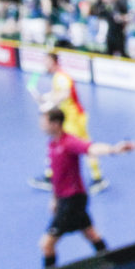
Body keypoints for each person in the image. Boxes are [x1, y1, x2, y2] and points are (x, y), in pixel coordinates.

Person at [38, 108, 135, 268]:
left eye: (44, 122)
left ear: (55, 124)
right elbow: (57, 175)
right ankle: (111, 265)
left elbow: (91, 148)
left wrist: (114, 149)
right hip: (65, 199)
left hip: (72, 200)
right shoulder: (52, 144)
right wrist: (54, 199)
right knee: (91, 234)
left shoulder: (69, 142)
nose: (41, 125)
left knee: (46, 245)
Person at [29, 51, 108, 193]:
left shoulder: (61, 77)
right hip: (70, 118)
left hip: (74, 119)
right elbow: (57, 94)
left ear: (53, 61)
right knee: (72, 144)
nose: (44, 64)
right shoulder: (57, 77)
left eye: (46, 61)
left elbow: (64, 94)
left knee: (81, 145)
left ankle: (97, 178)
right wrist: (45, 98)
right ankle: (95, 177)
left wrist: (49, 103)